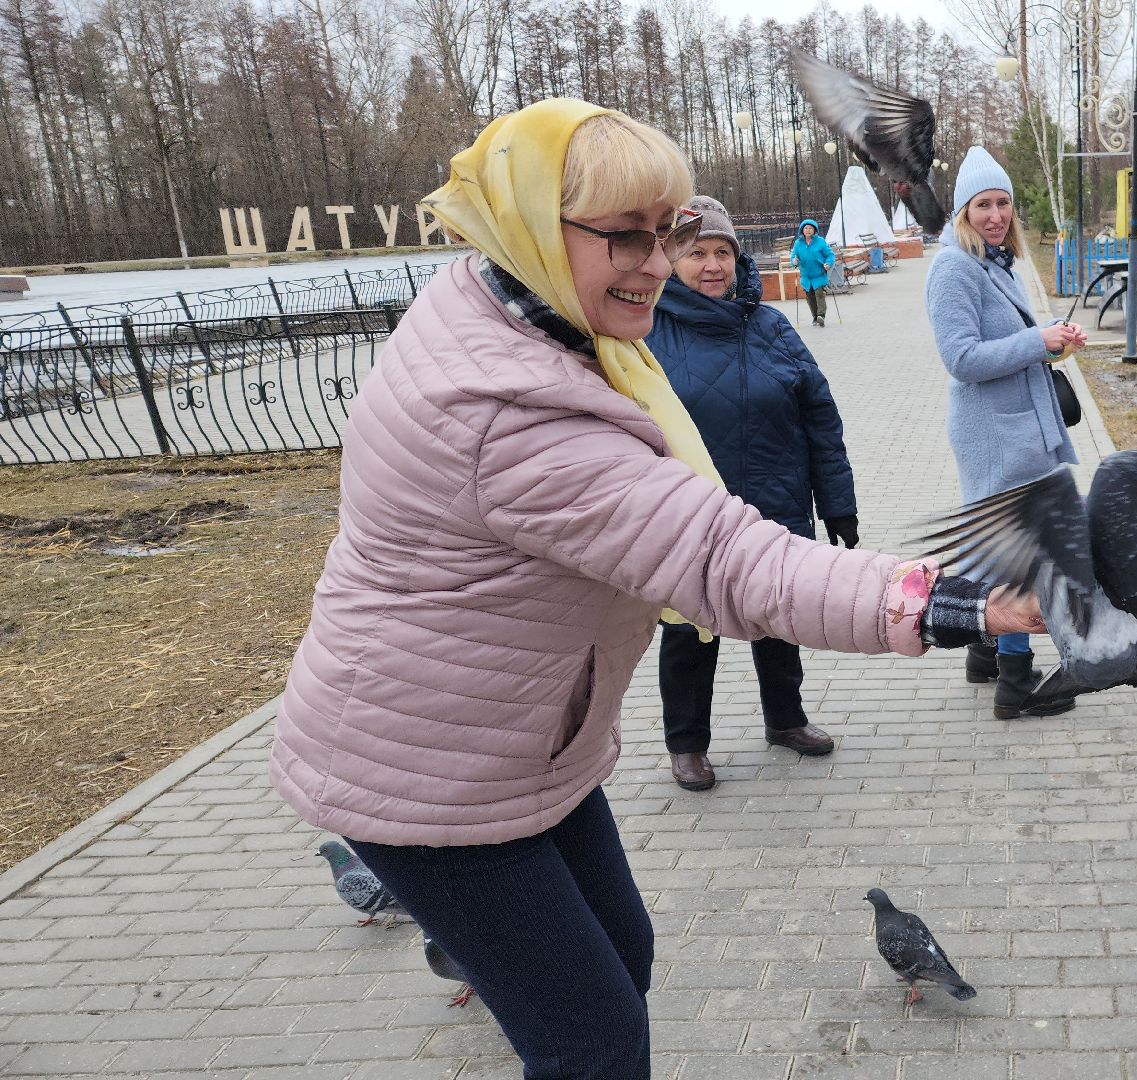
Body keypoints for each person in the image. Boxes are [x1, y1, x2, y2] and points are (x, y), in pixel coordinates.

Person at [267, 100, 1043, 1080]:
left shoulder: (513, 308)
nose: (654, 261)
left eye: (665, 233)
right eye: (622, 236)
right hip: (428, 769)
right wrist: (964, 600)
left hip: (510, 733)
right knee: (593, 1040)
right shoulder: (504, 415)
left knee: (619, 960)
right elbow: (725, 561)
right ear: (531, 230)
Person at [645, 195, 857, 791]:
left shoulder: (771, 327)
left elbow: (821, 418)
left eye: (722, 252)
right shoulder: (647, 332)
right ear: (670, 257)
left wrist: (838, 502)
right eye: (696, 253)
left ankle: (785, 720)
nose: (712, 266)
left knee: (779, 619)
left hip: (775, 505)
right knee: (690, 632)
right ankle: (687, 745)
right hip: (688, 516)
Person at [925, 144, 1086, 719]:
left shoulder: (996, 262)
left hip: (1012, 427)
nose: (995, 215)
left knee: (993, 547)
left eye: (1003, 204)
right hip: (996, 433)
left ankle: (983, 653)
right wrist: (1035, 341)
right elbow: (962, 358)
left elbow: (1008, 346)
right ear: (962, 211)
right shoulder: (952, 268)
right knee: (1020, 554)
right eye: (983, 204)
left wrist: (1051, 340)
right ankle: (1016, 683)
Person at [791, 218, 835, 327]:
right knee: (810, 297)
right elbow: (793, 256)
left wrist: (828, 263)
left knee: (819, 294)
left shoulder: (820, 241)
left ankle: (821, 316)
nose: (808, 230)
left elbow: (830, 255)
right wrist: (794, 261)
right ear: (802, 230)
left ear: (815, 230)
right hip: (806, 276)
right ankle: (815, 317)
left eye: (810, 228)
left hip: (819, 275)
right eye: (806, 228)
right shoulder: (798, 243)